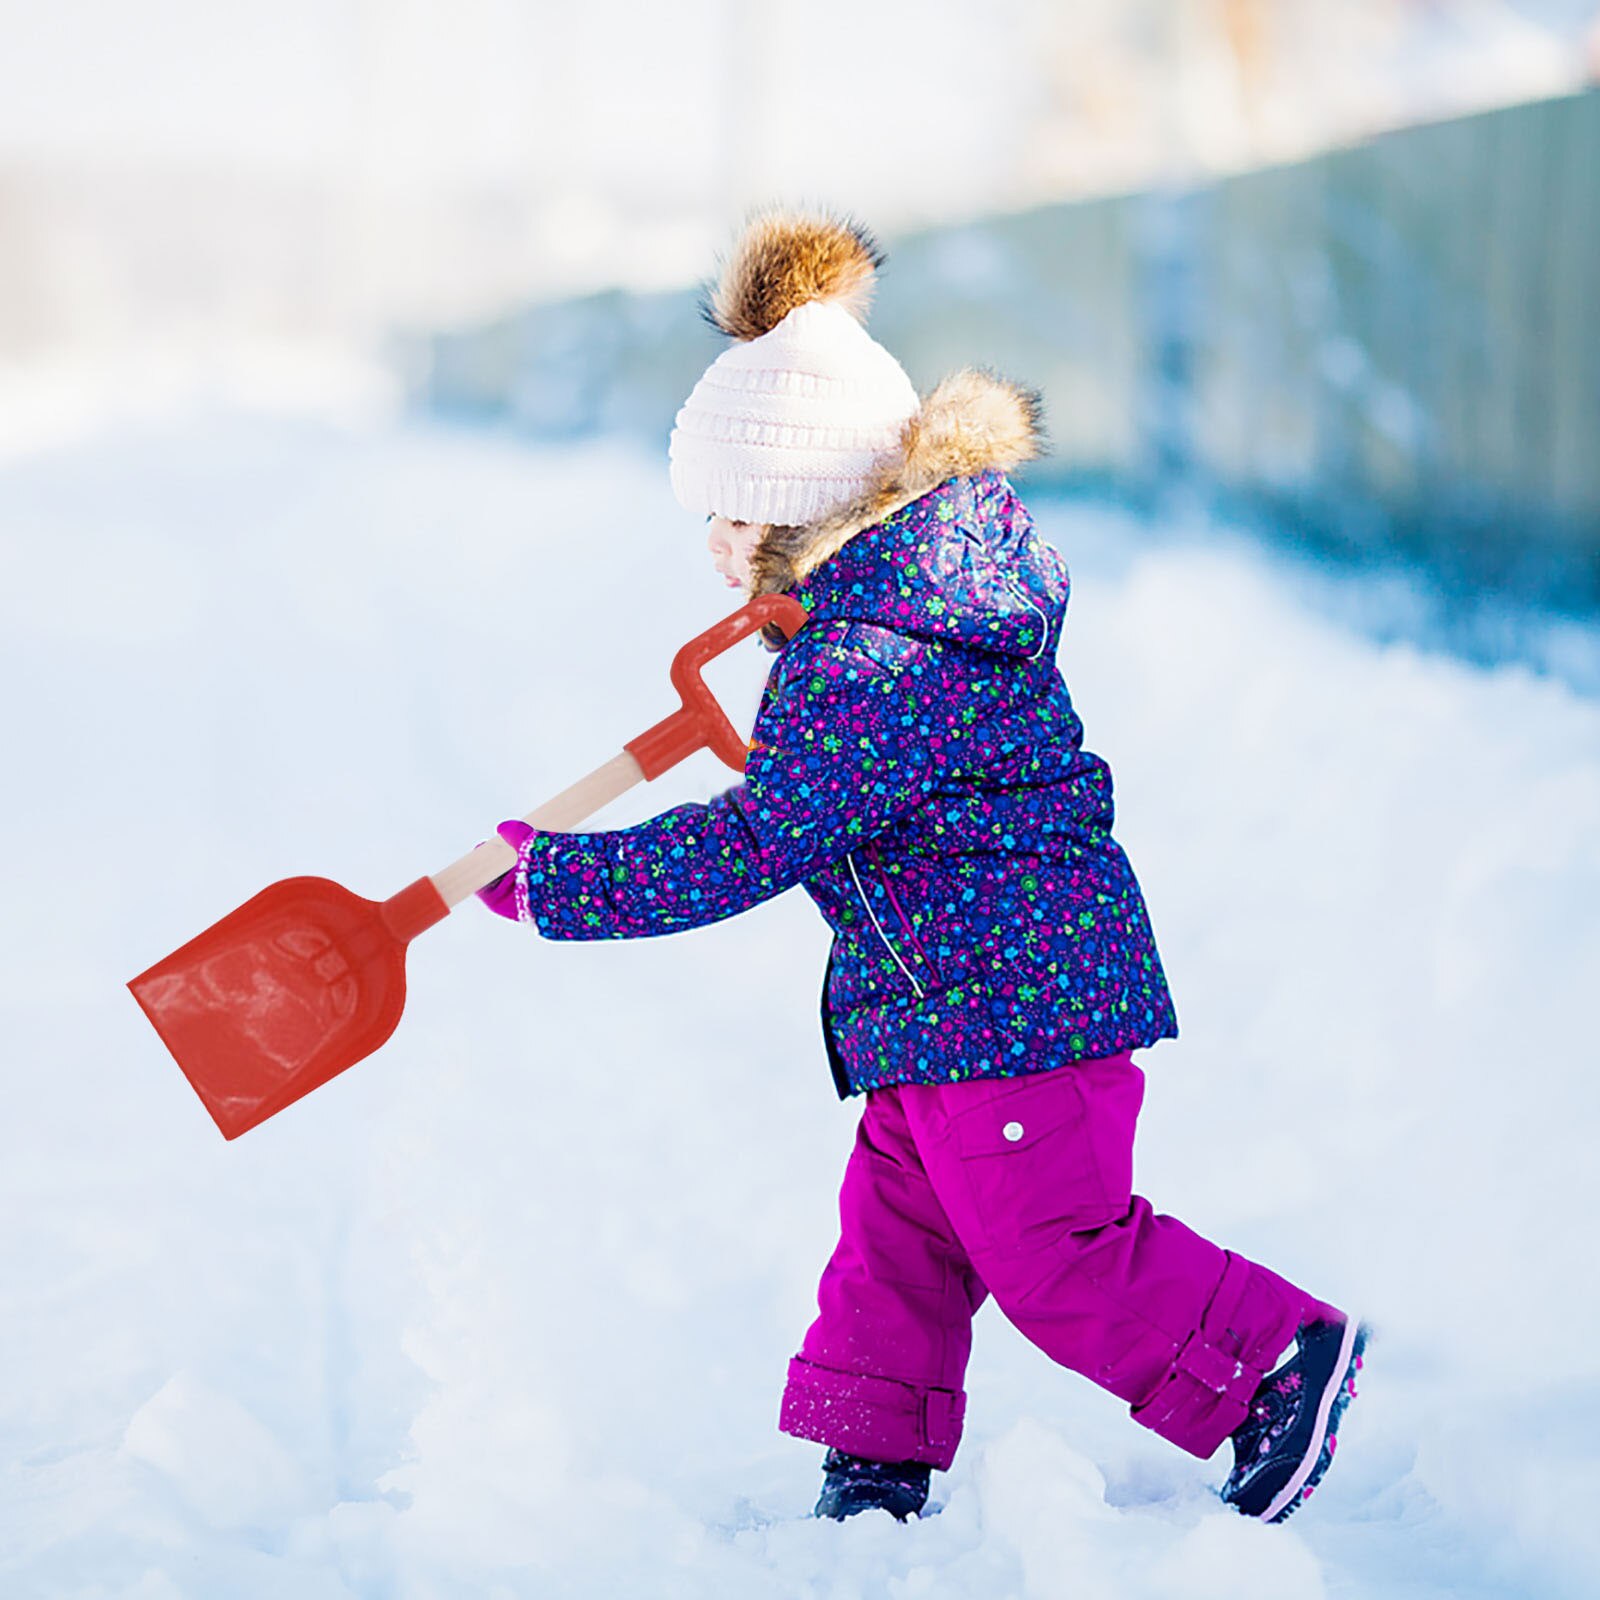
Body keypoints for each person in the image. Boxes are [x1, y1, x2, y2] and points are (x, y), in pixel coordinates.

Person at [477, 211, 1366, 1525]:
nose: (716, 545)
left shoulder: (868, 662)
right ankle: (876, 1456)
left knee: (1057, 1258)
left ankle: (1273, 1366)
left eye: (734, 515)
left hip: (1008, 1007)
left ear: (810, 507)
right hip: (949, 1005)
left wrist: (574, 882)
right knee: (898, 1241)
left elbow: (760, 838)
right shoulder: (903, 618)